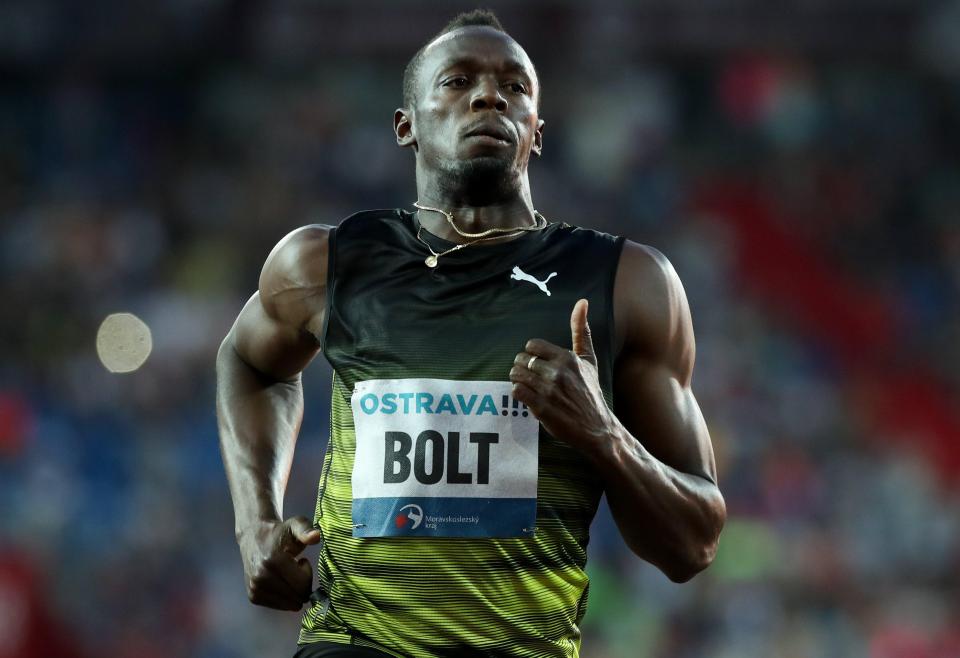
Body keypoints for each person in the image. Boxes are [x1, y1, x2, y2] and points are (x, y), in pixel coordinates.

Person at [216, 9, 726, 658]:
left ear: (536, 130)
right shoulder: (326, 263)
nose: (490, 95)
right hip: (352, 643)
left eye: (516, 87)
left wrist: (602, 433)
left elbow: (694, 544)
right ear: (407, 126)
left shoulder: (626, 283)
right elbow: (248, 361)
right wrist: (254, 522)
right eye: (457, 81)